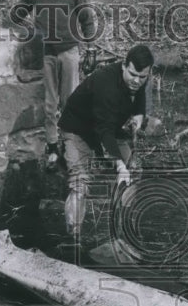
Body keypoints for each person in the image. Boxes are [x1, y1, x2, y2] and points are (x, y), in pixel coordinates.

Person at [10, 0, 96, 168]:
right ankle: (52, 146)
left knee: (70, 101)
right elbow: (17, 14)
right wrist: (30, 28)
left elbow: (87, 20)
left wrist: (91, 49)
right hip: (47, 54)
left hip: (69, 53)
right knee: (50, 104)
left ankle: (71, 144)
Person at [58, 45, 153, 236]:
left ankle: (122, 226)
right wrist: (119, 165)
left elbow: (140, 97)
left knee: (133, 171)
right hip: (78, 129)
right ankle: (73, 238)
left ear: (148, 72)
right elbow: (104, 131)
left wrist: (139, 115)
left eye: (142, 77)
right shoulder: (105, 84)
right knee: (80, 183)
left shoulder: (140, 79)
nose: (137, 81)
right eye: (133, 74)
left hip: (110, 128)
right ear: (124, 66)